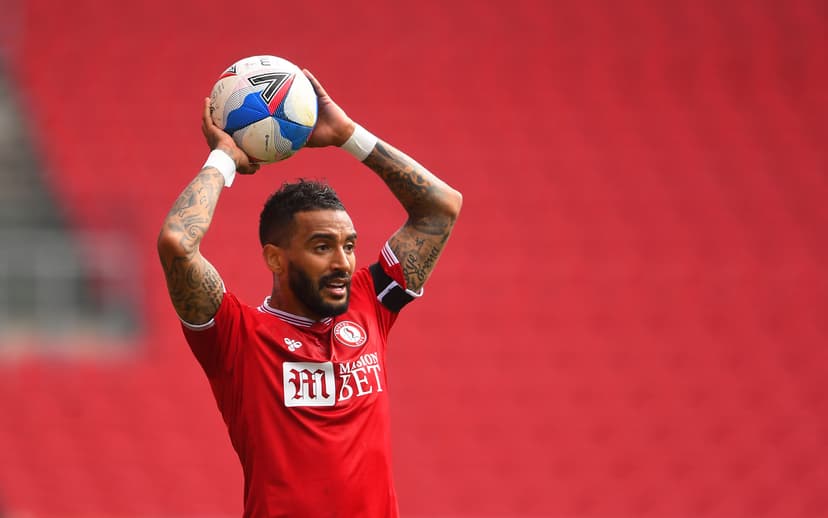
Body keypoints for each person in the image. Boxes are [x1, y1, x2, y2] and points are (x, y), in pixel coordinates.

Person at [157, 68, 462, 517]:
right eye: (322, 247)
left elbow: (441, 207)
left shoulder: (370, 303)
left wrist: (348, 135)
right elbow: (178, 244)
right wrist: (222, 159)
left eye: (349, 245)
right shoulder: (237, 336)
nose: (342, 262)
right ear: (275, 259)